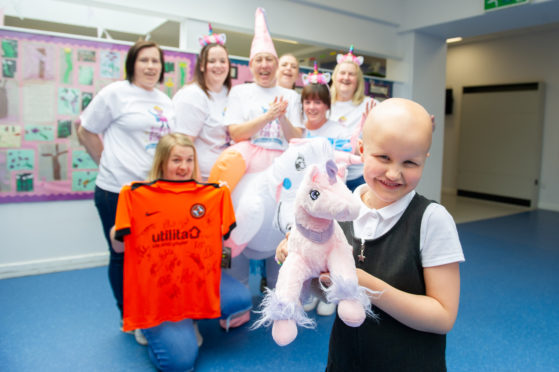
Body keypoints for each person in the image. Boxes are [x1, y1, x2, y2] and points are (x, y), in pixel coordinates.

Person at [278, 98, 464, 370]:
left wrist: (366, 285)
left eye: (410, 162)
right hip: (345, 361)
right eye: (383, 157)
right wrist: (301, 264)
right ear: (362, 150)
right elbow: (325, 292)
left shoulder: (432, 220)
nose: (394, 172)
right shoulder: (338, 211)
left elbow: (443, 316)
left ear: (425, 160)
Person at [112, 133, 252, 372]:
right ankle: (147, 324)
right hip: (158, 293)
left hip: (193, 281)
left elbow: (223, 240)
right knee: (181, 364)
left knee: (241, 300)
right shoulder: (136, 196)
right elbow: (118, 247)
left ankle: (190, 317)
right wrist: (119, 230)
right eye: (176, 160)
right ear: (162, 162)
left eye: (189, 160)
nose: (184, 167)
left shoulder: (212, 195)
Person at [77, 40, 175, 321]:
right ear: (132, 63)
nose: (150, 66)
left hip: (153, 193)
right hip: (115, 192)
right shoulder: (115, 94)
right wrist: (106, 163)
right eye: (143, 60)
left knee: (151, 256)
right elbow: (85, 131)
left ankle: (150, 307)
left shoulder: (165, 100)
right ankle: (129, 316)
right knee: (122, 254)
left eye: (155, 61)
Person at [207, 7, 303, 191]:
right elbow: (236, 133)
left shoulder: (291, 96)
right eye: (259, 60)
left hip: (282, 170)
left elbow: (296, 139)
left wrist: (282, 117)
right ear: (251, 66)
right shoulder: (239, 92)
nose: (264, 65)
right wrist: (267, 117)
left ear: (276, 65)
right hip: (247, 171)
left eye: (269, 60)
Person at [173, 24, 232, 181]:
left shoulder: (230, 95)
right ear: (201, 65)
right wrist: (197, 183)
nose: (218, 66)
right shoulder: (192, 96)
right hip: (201, 180)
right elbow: (183, 146)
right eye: (212, 61)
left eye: (222, 61)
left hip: (226, 179)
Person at [330, 45, 376, 192]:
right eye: (342, 73)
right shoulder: (322, 103)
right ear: (335, 77)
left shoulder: (370, 104)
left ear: (358, 80)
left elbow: (393, 126)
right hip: (327, 176)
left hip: (359, 178)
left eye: (351, 74)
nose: (346, 77)